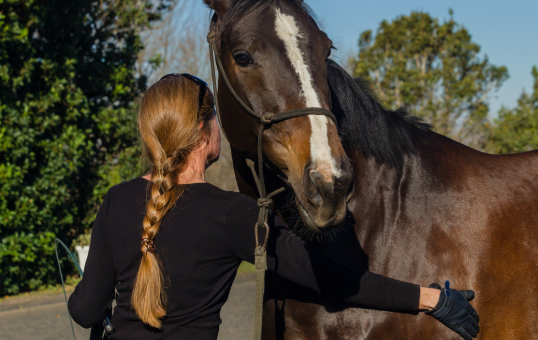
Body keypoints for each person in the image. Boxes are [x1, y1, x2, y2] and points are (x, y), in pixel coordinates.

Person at [68, 74, 480, 340]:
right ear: (203, 128)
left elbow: (85, 311)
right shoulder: (233, 214)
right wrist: (431, 299)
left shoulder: (116, 200)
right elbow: (331, 282)